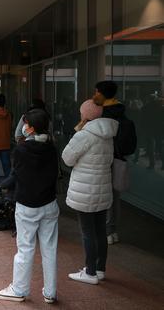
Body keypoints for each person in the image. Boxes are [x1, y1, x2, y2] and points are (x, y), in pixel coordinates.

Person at [0, 109, 59, 304]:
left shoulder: (22, 149)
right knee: (50, 248)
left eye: (25, 123)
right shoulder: (51, 147)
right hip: (49, 203)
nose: (23, 126)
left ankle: (19, 289)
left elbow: (18, 175)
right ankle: (50, 292)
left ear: (30, 127)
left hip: (27, 205)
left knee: (25, 248)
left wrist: (2, 185)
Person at [62, 99, 117, 285]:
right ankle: (100, 269)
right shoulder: (108, 134)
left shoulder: (84, 135)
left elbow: (67, 159)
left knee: (87, 232)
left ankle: (90, 272)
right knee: (100, 230)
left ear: (85, 114)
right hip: (102, 187)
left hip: (84, 189)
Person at [92, 80, 136, 245]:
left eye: (96, 92)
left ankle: (107, 231)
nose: (94, 95)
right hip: (118, 158)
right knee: (114, 196)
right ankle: (112, 230)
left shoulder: (103, 113)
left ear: (102, 94)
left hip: (104, 158)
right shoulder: (122, 110)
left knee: (104, 195)